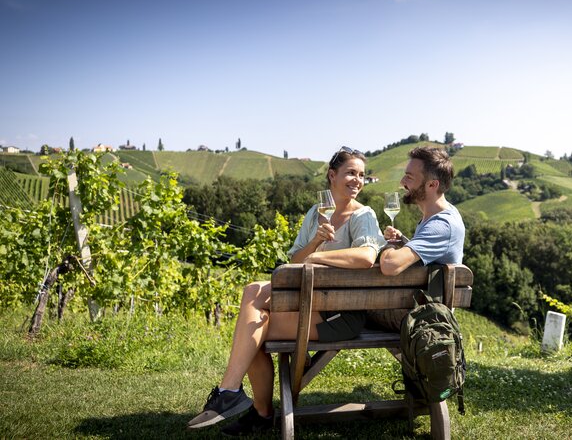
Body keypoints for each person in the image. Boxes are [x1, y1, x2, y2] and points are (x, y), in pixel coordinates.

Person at [187, 147, 385, 435]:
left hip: (341, 315)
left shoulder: (363, 215)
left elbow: (367, 257)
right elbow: (295, 260)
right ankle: (235, 394)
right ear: (332, 176)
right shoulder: (316, 214)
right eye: (351, 173)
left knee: (252, 328)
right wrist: (315, 242)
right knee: (252, 307)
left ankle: (252, 407)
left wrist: (318, 257)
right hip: (311, 305)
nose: (357, 180)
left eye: (362, 175)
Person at [369, 146, 466, 331]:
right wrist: (404, 242)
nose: (402, 182)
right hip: (419, 309)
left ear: (432, 185)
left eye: (409, 177)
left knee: (348, 308)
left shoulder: (441, 225)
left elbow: (390, 265)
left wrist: (384, 244)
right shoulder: (441, 215)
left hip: (419, 318)